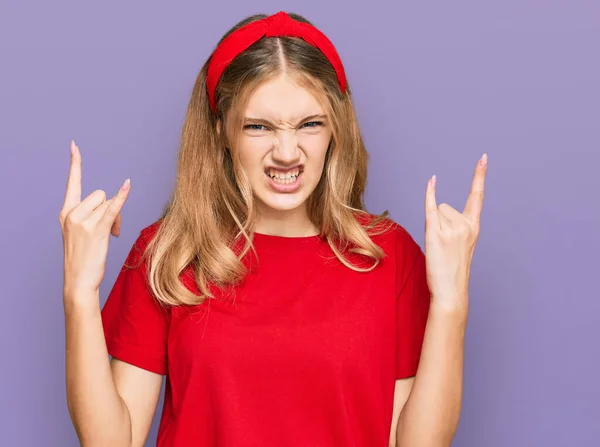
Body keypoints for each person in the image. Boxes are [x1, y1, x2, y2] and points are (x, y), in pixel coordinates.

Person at [59, 10, 487, 447]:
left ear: (336, 130)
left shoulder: (390, 257)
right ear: (222, 130)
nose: (287, 152)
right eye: (258, 126)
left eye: (309, 124)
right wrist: (79, 293)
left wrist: (451, 304)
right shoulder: (169, 252)